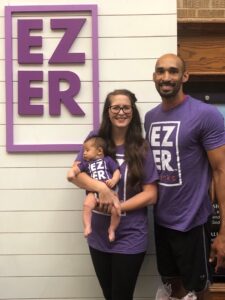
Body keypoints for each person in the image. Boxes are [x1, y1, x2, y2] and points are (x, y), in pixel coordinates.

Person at [144, 53, 225, 300]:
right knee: (172, 287)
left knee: (199, 290)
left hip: (192, 221)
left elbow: (221, 171)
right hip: (161, 220)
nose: (166, 77)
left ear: (185, 76)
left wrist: (223, 232)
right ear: (154, 77)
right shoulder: (150, 117)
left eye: (173, 71)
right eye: (160, 71)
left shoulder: (205, 114)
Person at [68, 89, 158, 300]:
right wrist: (103, 189)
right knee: (109, 295)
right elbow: (74, 175)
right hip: (98, 235)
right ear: (108, 112)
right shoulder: (95, 141)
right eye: (115, 107)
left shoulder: (141, 148)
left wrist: (117, 206)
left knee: (121, 296)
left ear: (133, 112)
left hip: (131, 235)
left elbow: (151, 195)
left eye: (126, 107)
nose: (121, 112)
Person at [67, 135, 121, 242]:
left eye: (87, 150)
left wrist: (114, 180)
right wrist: (71, 173)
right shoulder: (86, 164)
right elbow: (76, 169)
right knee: (87, 204)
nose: (84, 153)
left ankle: (112, 229)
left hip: (110, 192)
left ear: (99, 151)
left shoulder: (108, 160)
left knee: (116, 210)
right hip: (93, 192)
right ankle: (87, 226)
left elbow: (117, 171)